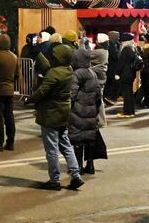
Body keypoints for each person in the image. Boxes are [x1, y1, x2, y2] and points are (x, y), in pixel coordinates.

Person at [31, 43, 79, 191]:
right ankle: (76, 175)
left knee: (51, 148)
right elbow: (49, 68)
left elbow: (43, 91)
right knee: (65, 144)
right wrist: (38, 54)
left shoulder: (54, 73)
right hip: (64, 112)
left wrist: (29, 99)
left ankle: (54, 180)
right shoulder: (68, 70)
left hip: (51, 113)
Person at [69, 47, 107, 175]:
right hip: (91, 109)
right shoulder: (92, 73)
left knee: (78, 140)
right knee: (90, 139)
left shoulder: (76, 73)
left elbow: (72, 93)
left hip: (78, 110)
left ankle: (78, 166)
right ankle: (90, 165)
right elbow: (97, 93)